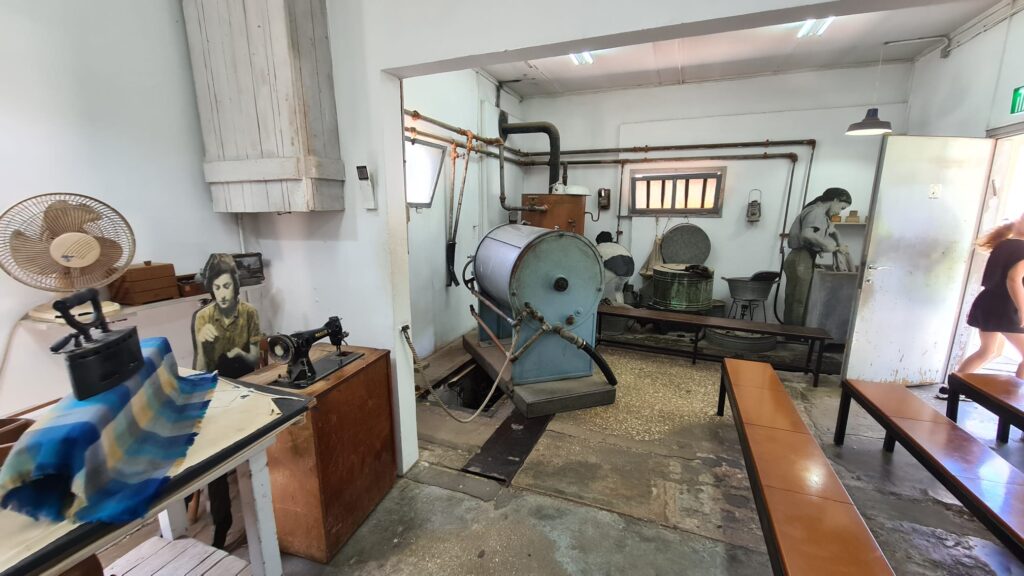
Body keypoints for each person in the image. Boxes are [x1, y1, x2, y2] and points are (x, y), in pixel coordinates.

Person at [191, 253, 262, 549]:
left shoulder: (249, 313)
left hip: (247, 383)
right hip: (217, 386)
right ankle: (223, 523)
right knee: (211, 451)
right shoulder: (203, 317)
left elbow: (255, 359)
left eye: (226, 286)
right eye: (216, 288)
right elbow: (199, 370)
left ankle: (266, 497)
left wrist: (241, 354)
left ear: (235, 285)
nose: (222, 293)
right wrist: (203, 346)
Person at [937, 215, 1024, 399]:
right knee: (990, 351)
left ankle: (952, 389)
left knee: (988, 351)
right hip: (1006, 308)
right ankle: (1014, 403)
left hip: (988, 303)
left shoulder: (1003, 244)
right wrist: (1022, 308)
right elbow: (1014, 279)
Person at [783, 188, 852, 325]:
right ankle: (793, 338)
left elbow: (833, 231)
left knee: (797, 300)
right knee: (798, 301)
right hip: (800, 258)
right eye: (841, 207)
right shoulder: (816, 212)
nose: (839, 212)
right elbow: (807, 234)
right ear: (835, 200)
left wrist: (839, 242)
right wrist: (827, 245)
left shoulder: (823, 215)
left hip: (804, 258)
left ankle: (793, 335)